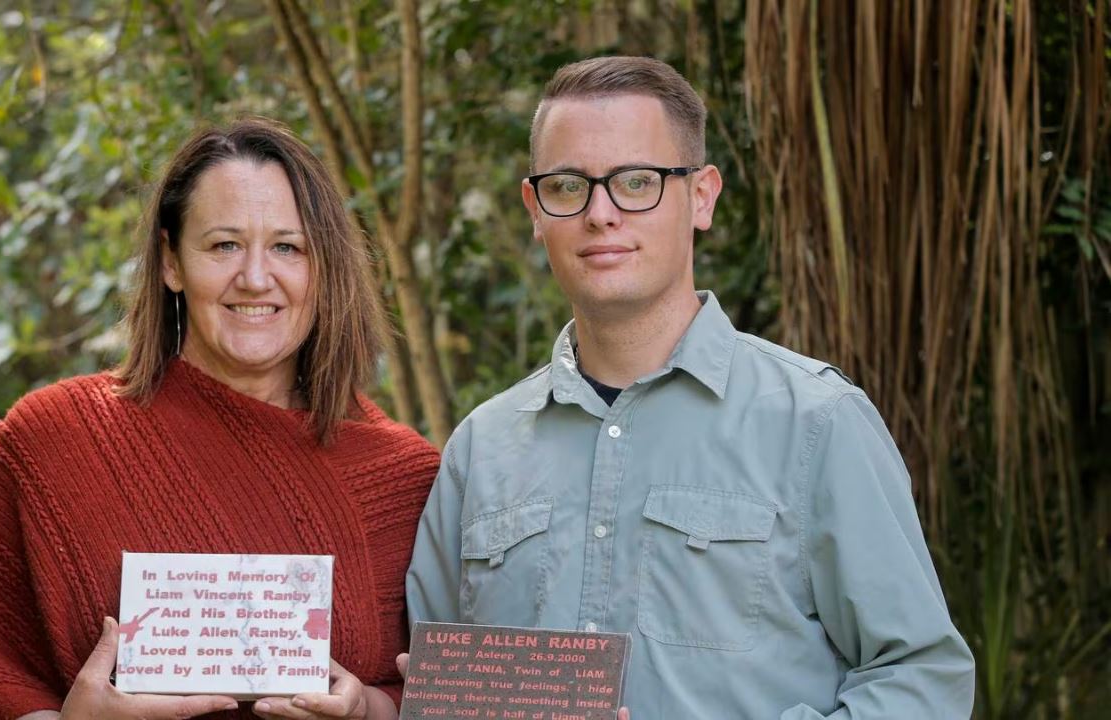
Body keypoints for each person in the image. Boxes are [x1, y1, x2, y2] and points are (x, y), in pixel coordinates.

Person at [405, 56, 976, 718]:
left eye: (637, 182)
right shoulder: (482, 449)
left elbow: (920, 675)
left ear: (701, 196)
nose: (601, 214)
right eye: (568, 186)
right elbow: (433, 684)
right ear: (536, 209)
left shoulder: (817, 422)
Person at [0, 117, 440, 720]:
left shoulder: (407, 478)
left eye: (288, 247)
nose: (256, 278)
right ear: (171, 261)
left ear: (324, 268)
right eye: (224, 244)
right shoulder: (55, 440)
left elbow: (434, 698)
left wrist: (367, 709)